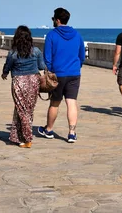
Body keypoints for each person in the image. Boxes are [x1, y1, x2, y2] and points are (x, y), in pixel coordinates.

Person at [38, 8, 85, 143]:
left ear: (57, 20)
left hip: (58, 74)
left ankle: (49, 129)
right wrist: (77, 66)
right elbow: (81, 55)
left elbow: (47, 57)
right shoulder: (77, 35)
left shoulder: (52, 35)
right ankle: (72, 133)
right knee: (71, 102)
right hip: (74, 73)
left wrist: (51, 71)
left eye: (53, 18)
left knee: (55, 103)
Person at [2, 26, 45, 148]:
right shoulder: (36, 51)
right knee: (28, 110)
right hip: (33, 81)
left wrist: (4, 73)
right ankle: (17, 136)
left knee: (21, 109)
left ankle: (27, 138)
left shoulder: (13, 53)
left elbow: (7, 66)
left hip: (19, 82)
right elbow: (42, 66)